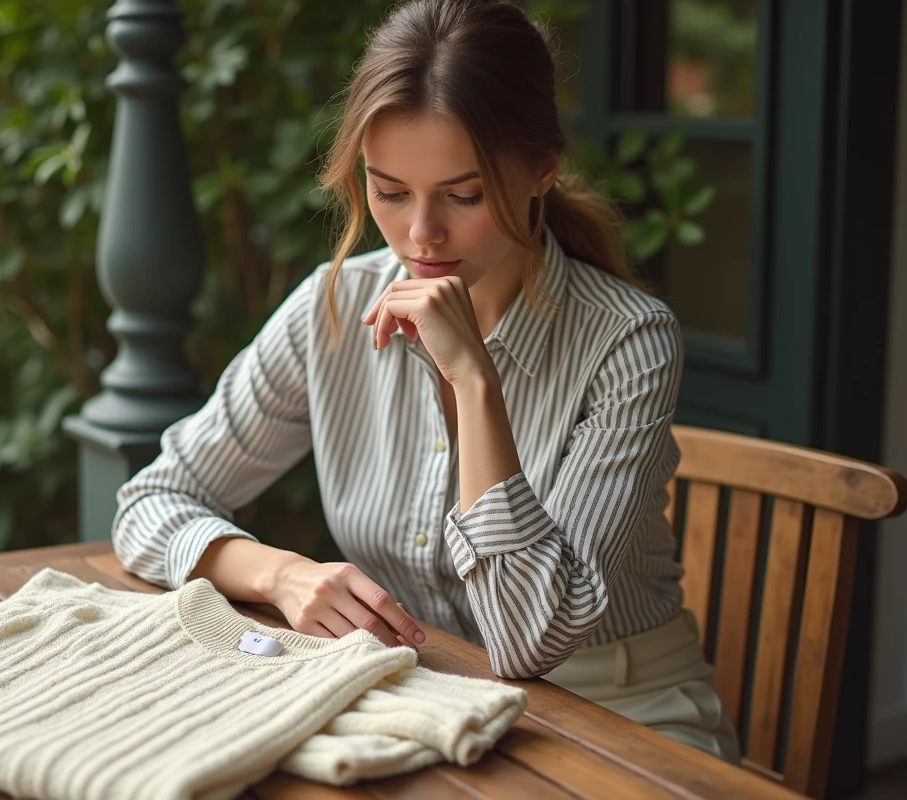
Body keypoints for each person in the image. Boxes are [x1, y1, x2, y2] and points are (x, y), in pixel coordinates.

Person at [113, 0, 741, 764]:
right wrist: (282, 576)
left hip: (617, 710)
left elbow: (528, 639)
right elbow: (151, 502)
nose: (420, 235)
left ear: (543, 169)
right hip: (424, 700)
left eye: (463, 195)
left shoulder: (628, 342)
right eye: (389, 191)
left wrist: (474, 379)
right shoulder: (334, 309)